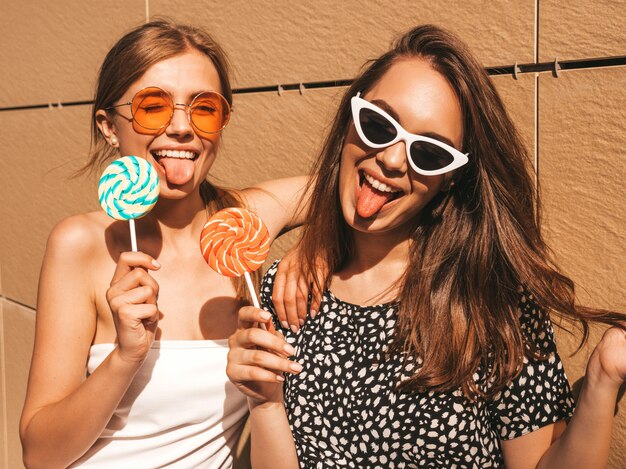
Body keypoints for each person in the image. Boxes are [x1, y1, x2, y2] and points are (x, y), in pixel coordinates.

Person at [226, 24, 626, 468]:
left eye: (430, 153)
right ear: (348, 120)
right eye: (377, 124)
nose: (394, 160)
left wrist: (602, 381)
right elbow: (226, 213)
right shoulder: (283, 296)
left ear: (450, 179)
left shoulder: (491, 303)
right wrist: (264, 406)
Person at [19, 20, 308, 468]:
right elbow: (39, 456)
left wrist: (317, 250)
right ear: (109, 125)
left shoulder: (242, 223)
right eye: (153, 107)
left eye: (204, 109)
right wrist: (125, 357)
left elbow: (354, 196)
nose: (181, 128)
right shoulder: (81, 244)